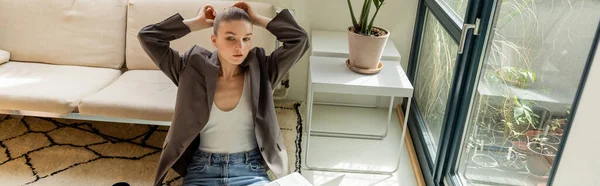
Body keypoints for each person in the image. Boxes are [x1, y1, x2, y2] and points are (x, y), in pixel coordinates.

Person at [137, 1, 309, 186]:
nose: (240, 47)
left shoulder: (262, 69)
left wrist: (257, 19)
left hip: (249, 170)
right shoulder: (192, 68)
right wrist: (196, 23)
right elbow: (148, 37)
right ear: (214, 40)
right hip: (203, 170)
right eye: (230, 38)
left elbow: (299, 40)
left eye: (246, 38)